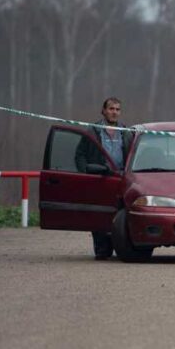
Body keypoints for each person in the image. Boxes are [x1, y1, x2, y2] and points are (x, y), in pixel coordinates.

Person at [75, 97, 134, 260]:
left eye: (117, 109)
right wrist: (85, 174)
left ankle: (121, 248)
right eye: (111, 109)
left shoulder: (126, 132)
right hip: (99, 178)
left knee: (120, 216)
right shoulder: (93, 131)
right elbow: (80, 155)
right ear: (103, 111)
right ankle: (102, 250)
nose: (114, 112)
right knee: (100, 214)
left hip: (121, 179)